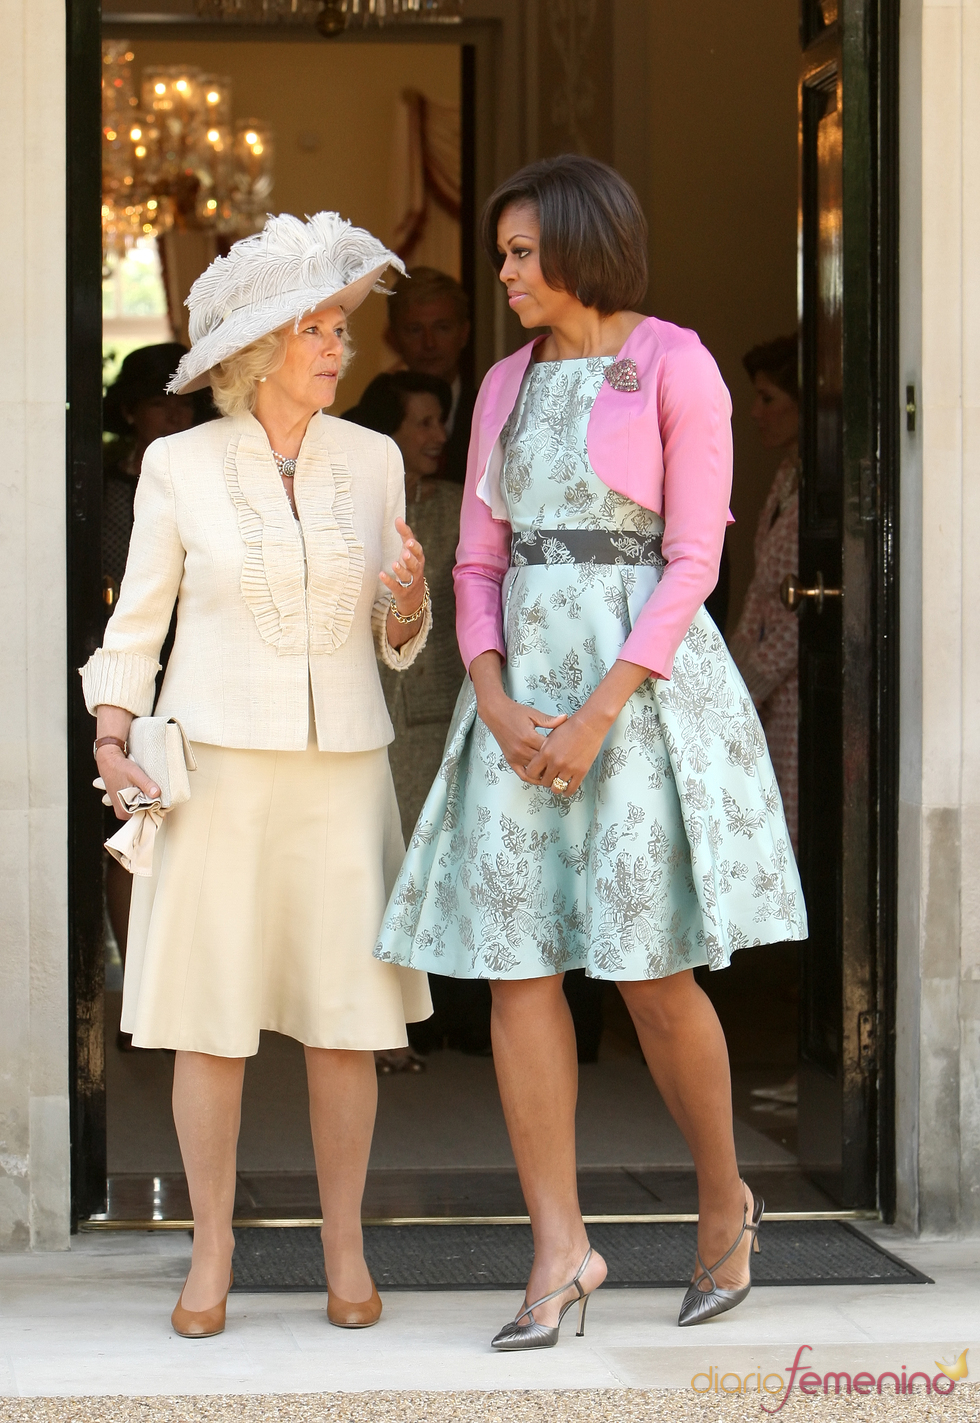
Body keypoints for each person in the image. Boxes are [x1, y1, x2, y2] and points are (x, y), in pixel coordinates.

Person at [376, 156, 807, 1347]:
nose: (503, 273)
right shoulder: (502, 383)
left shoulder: (673, 359)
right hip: (514, 704)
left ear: (575, 244)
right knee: (516, 972)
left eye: (519, 252)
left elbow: (692, 563)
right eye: (504, 253)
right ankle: (558, 1249)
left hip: (636, 700)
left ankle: (724, 1207)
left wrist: (598, 709)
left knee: (648, 971)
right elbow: (474, 562)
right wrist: (496, 698)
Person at [81, 212, 432, 1339]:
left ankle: (344, 1246)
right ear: (257, 350)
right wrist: (109, 729)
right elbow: (138, 622)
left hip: (341, 772)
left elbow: (397, 636)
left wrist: (409, 601)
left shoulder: (373, 459)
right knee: (209, 1019)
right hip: (217, 765)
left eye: (340, 327)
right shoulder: (176, 465)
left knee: (345, 1020)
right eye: (315, 330)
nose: (338, 347)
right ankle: (212, 1248)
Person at [346, 372, 492, 1064]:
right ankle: (384, 1027)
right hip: (364, 705)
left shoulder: (460, 505)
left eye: (441, 422)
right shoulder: (346, 500)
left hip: (444, 706)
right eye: (423, 423)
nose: (438, 437)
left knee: (446, 862)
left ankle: (452, 1014)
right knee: (379, 864)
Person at [102, 343, 213, 1049]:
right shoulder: (103, 483)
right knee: (132, 822)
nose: (170, 414)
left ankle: (190, 988)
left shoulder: (211, 469)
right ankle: (136, 989)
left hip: (201, 659)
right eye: (155, 401)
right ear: (131, 409)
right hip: (126, 660)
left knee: (197, 825)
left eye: (181, 400)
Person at [728, 335, 800, 850]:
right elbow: (760, 593)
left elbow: (796, 611)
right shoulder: (787, 477)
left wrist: (746, 685)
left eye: (768, 399)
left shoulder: (821, 491)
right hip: (760, 688)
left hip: (791, 696)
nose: (756, 413)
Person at [384, 267, 475, 484]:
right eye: (415, 330)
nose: (429, 343)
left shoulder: (497, 417)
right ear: (393, 338)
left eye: (442, 328)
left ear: (463, 334)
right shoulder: (366, 426)